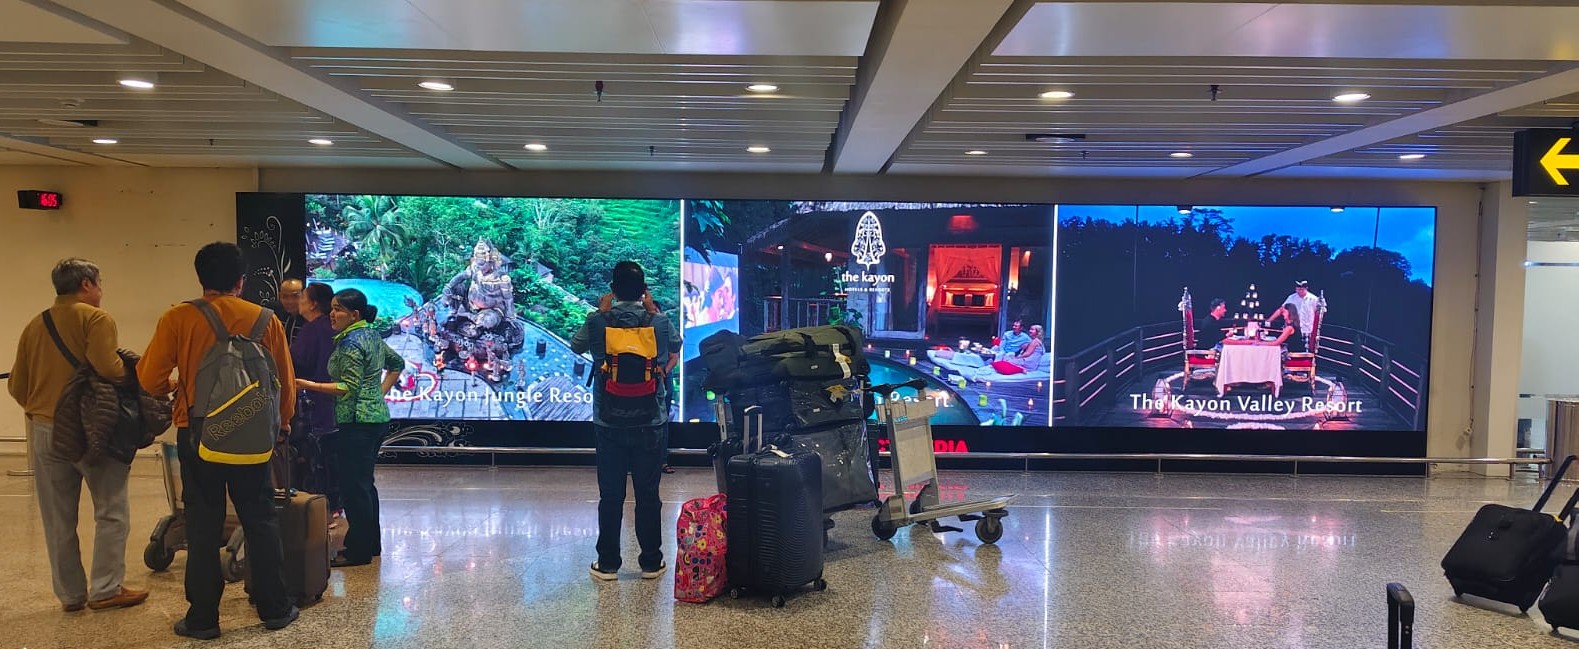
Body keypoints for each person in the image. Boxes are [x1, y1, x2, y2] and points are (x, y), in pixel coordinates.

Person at [140, 242, 298, 639]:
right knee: (260, 518)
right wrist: (282, 425)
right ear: (241, 281)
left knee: (202, 522)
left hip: (197, 434)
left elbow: (149, 379)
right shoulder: (266, 320)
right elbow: (284, 382)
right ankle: (275, 608)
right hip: (253, 434)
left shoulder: (178, 317)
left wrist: (176, 386)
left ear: (201, 278)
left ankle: (203, 619)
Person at [8, 258, 148, 613]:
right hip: (91, 427)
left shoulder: (35, 324)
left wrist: (43, 408)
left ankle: (70, 595)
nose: (101, 289)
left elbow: (17, 385)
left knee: (57, 517)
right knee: (111, 509)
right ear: (86, 284)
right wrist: (134, 374)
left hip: (45, 429)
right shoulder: (96, 318)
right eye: (99, 282)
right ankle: (105, 588)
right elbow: (108, 368)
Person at [570, 261, 680, 581]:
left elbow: (576, 346)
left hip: (608, 422)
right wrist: (652, 310)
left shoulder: (597, 321)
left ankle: (608, 564)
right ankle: (651, 562)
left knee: (611, 494)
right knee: (648, 494)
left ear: (612, 290)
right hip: (651, 420)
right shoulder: (659, 322)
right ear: (644, 290)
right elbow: (675, 346)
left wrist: (600, 313)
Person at [295, 288, 404, 568]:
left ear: (354, 314)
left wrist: (309, 385)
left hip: (357, 422)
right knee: (364, 484)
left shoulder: (350, 343)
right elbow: (397, 364)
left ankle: (358, 550)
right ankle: (371, 544)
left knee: (353, 486)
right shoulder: (371, 335)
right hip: (375, 419)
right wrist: (378, 393)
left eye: (338, 309)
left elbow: (349, 387)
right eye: (332, 308)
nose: (332, 314)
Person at [291, 282, 340, 514]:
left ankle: (318, 511)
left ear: (313, 304)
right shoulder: (335, 329)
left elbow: (296, 364)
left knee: (316, 461)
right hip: (337, 403)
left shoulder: (311, 331)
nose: (298, 301)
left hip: (315, 405)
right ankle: (334, 507)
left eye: (302, 297)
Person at [274, 279, 306, 343]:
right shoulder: (273, 314)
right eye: (285, 296)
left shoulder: (311, 318)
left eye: (295, 296)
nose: (290, 301)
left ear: (304, 296)